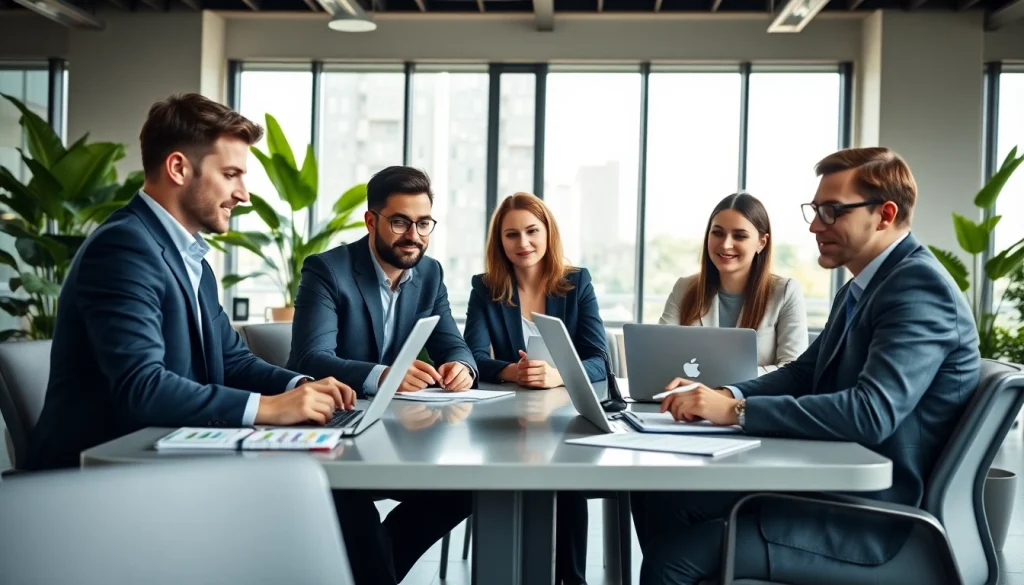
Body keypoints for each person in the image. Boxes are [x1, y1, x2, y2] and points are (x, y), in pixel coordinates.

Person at [638, 147, 981, 585]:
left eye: (831, 211)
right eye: (816, 210)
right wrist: (728, 394)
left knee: (671, 559)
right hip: (830, 480)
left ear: (884, 214)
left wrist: (736, 414)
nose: (815, 225)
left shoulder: (918, 287)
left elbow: (870, 413)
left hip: (873, 516)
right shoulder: (862, 286)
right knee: (660, 497)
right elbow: (804, 374)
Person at [27, 93, 356, 472]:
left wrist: (298, 386)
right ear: (179, 168)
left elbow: (232, 361)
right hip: (98, 477)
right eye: (230, 174)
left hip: (166, 458)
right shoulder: (124, 247)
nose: (243, 195)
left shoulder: (189, 256)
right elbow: (143, 387)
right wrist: (267, 408)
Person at [287, 165, 475, 584]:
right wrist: (382, 374)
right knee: (353, 510)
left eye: (423, 223)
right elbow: (310, 359)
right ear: (371, 220)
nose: (414, 235)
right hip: (333, 430)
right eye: (400, 222)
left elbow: (454, 344)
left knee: (465, 487)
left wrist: (462, 367)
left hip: (397, 435)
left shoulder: (430, 274)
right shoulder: (327, 270)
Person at [463, 191, 608, 585]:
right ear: (500, 241)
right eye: (512, 235)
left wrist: (560, 373)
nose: (523, 243)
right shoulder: (485, 287)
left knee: (568, 476)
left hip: (566, 414)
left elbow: (600, 359)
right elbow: (472, 357)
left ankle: (571, 579)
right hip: (506, 417)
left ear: (548, 233)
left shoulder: (576, 283)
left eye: (531, 231)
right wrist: (513, 371)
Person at [659, 192, 808, 375]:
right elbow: (660, 357)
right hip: (688, 399)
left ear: (762, 242)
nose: (726, 244)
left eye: (739, 236)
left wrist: (727, 383)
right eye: (718, 233)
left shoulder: (785, 292)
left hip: (749, 401)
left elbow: (793, 371)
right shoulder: (685, 288)